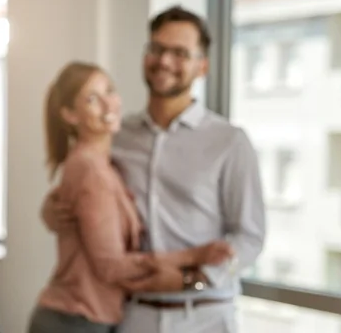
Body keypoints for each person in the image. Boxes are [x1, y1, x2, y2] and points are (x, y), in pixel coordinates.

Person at [42, 6, 266, 333]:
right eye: (157, 49)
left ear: (202, 66)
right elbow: (88, 196)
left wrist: (194, 278)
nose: (164, 61)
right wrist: (52, 211)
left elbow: (250, 237)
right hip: (135, 315)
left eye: (180, 53)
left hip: (205, 316)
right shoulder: (117, 137)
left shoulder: (229, 142)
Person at [29, 61, 234, 333]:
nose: (108, 104)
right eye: (92, 99)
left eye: (109, 91)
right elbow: (111, 266)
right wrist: (192, 261)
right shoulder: (90, 169)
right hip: (75, 320)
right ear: (70, 115)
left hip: (90, 318)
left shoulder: (106, 160)